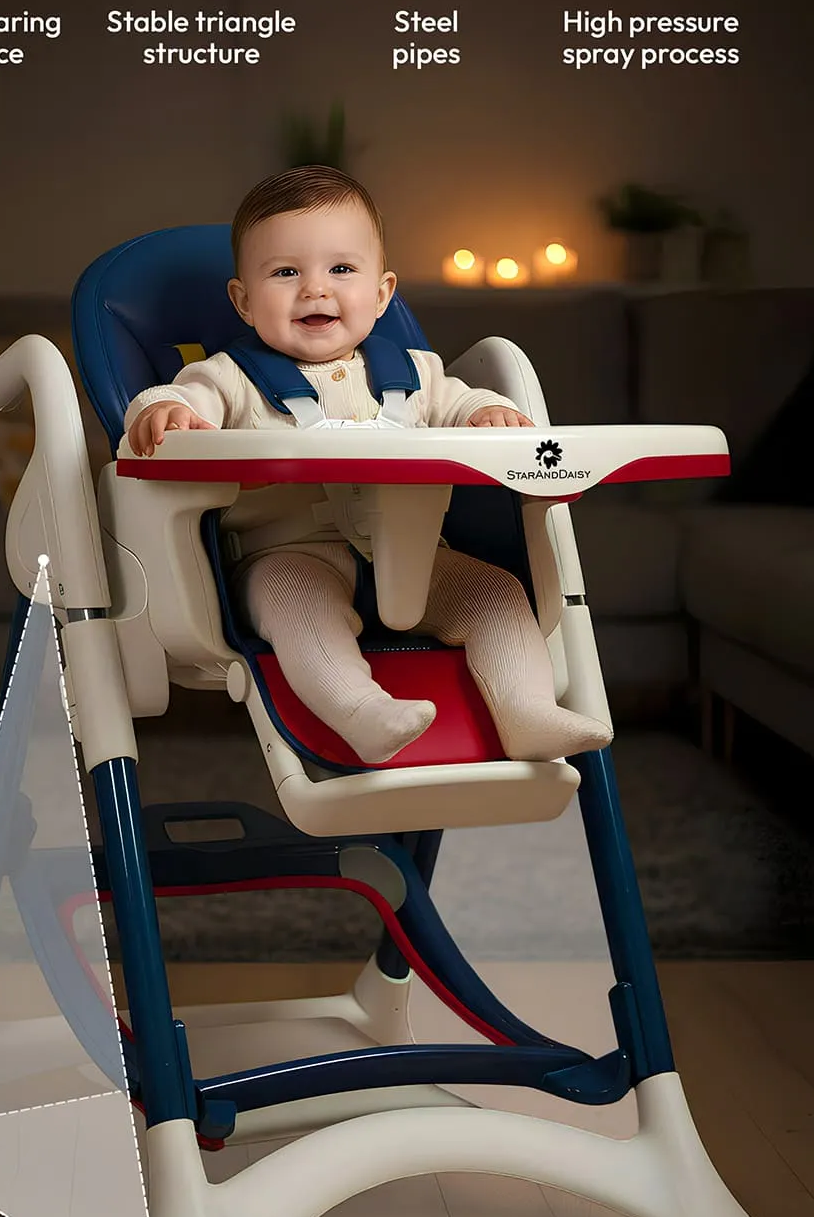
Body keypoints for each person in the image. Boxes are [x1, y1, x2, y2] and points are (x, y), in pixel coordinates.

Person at [122, 164, 600, 766]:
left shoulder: (417, 373)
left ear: (381, 293)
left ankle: (527, 712)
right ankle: (362, 712)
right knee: (297, 605)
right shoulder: (229, 377)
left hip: (418, 559)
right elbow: (183, 399)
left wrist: (490, 414)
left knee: (496, 594)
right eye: (286, 272)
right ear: (243, 301)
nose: (315, 290)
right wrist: (164, 409)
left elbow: (462, 403)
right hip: (286, 557)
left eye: (341, 270)